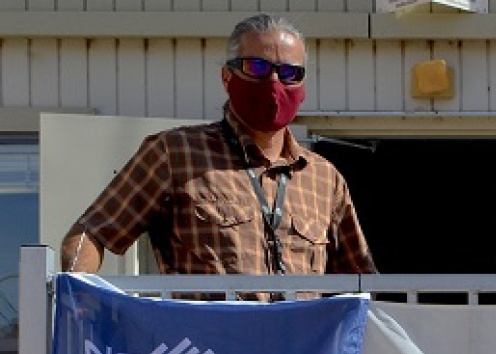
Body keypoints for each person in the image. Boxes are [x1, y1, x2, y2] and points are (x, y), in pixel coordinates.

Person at [60, 14, 375, 287]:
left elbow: (361, 276)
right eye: (257, 67)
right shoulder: (175, 153)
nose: (274, 82)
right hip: (209, 350)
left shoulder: (323, 177)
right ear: (227, 77)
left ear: (303, 88)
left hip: (299, 353)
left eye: (290, 73)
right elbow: (92, 234)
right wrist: (79, 303)